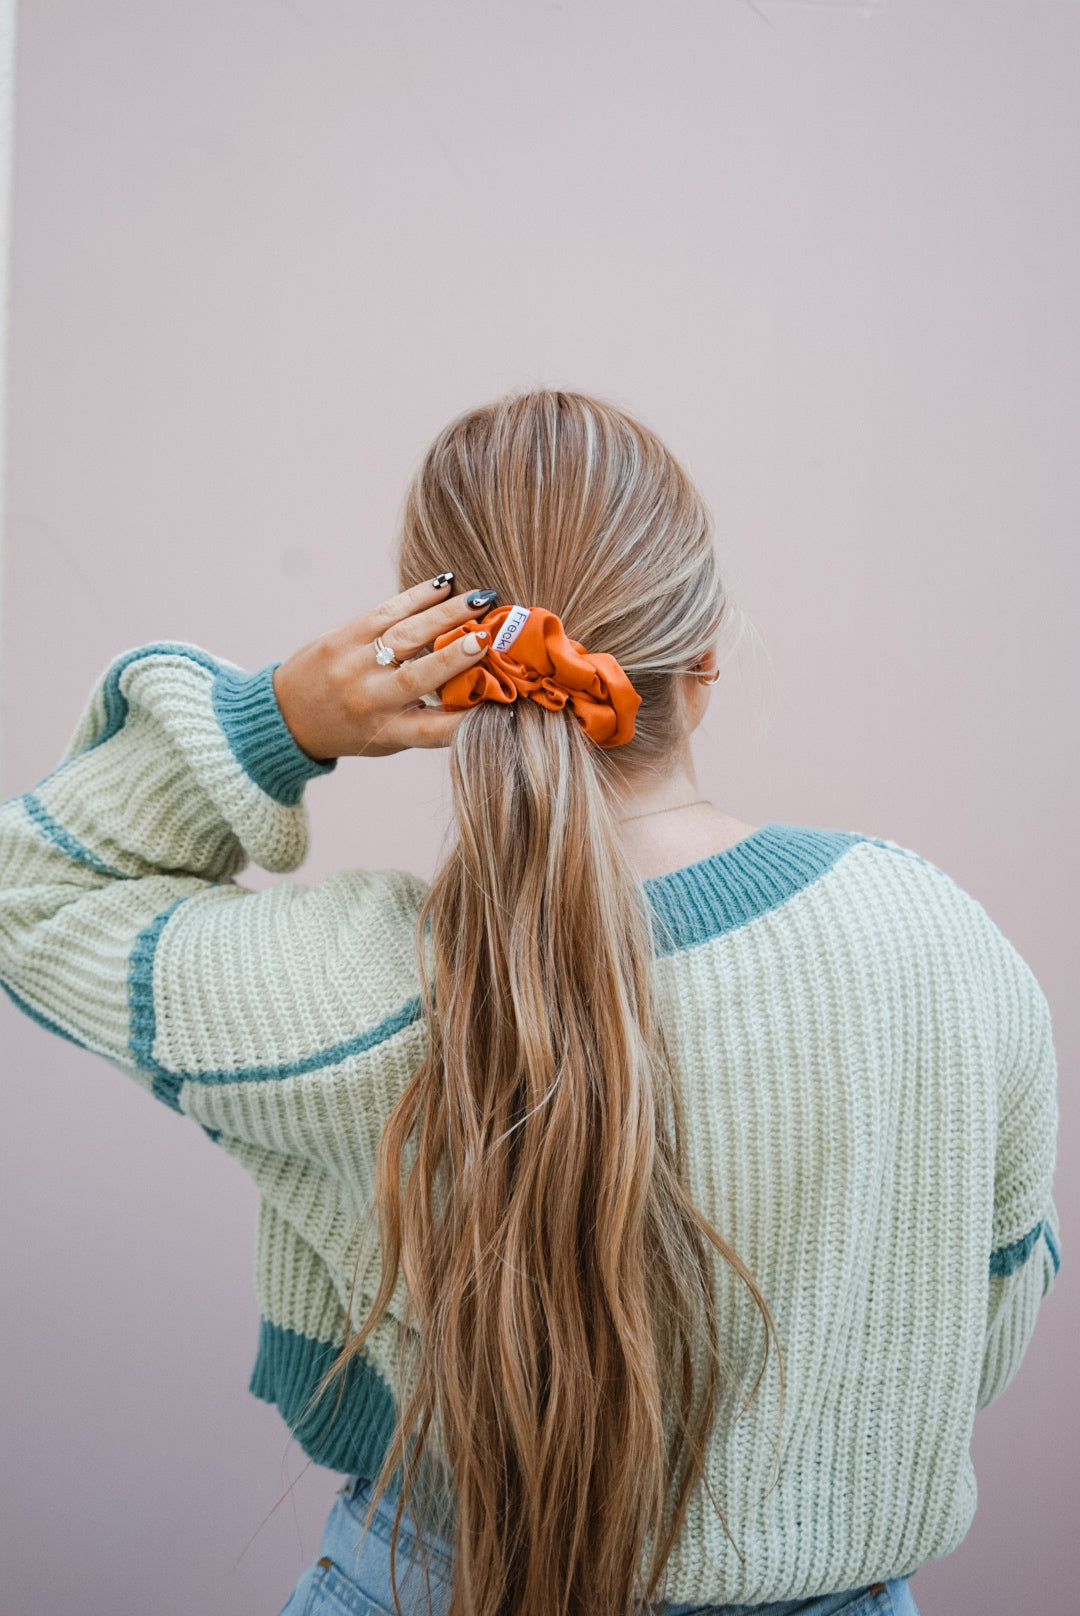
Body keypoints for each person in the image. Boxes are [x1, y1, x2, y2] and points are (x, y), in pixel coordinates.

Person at [0, 390, 1059, 1616]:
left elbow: (32, 896)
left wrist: (276, 715)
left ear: (436, 670)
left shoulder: (351, 989)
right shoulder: (934, 940)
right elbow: (983, 1305)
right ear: (704, 651)